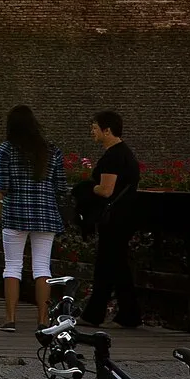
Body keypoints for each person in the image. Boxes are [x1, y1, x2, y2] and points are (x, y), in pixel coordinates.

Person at [0, 105, 70, 332]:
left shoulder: (7, 149)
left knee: (12, 266)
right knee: (41, 267)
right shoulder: (51, 150)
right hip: (46, 214)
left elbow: (3, 185)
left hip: (15, 213)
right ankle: (43, 320)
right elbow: (61, 186)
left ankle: (10, 319)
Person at [78, 109, 142, 328]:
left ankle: (95, 314)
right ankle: (129, 314)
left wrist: (87, 187)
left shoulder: (113, 156)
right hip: (125, 216)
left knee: (106, 266)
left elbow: (106, 190)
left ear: (107, 130)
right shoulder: (125, 153)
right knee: (118, 266)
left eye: (95, 128)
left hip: (114, 219)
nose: (92, 131)